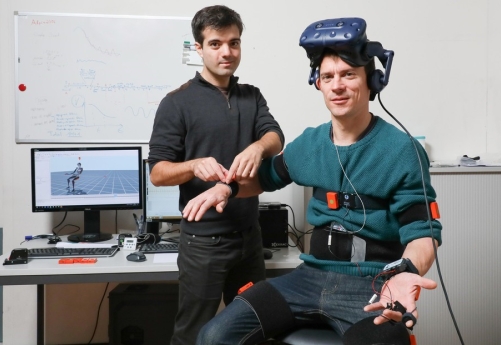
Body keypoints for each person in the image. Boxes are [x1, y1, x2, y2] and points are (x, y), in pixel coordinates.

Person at [184, 17, 442, 345]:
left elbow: (423, 234)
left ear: (371, 81)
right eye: (328, 76)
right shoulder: (309, 144)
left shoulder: (402, 150)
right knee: (214, 335)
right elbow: (263, 178)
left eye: (348, 74)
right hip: (306, 280)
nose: (337, 85)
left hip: (371, 284)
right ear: (317, 82)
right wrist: (227, 187)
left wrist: (406, 272)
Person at [147, 5, 284, 345]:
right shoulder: (176, 103)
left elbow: (275, 138)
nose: (227, 52)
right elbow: (158, 173)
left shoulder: (251, 96)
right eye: (216, 43)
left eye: (234, 43)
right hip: (202, 243)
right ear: (199, 48)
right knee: (195, 333)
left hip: (249, 238)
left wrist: (257, 148)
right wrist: (193, 165)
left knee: (256, 328)